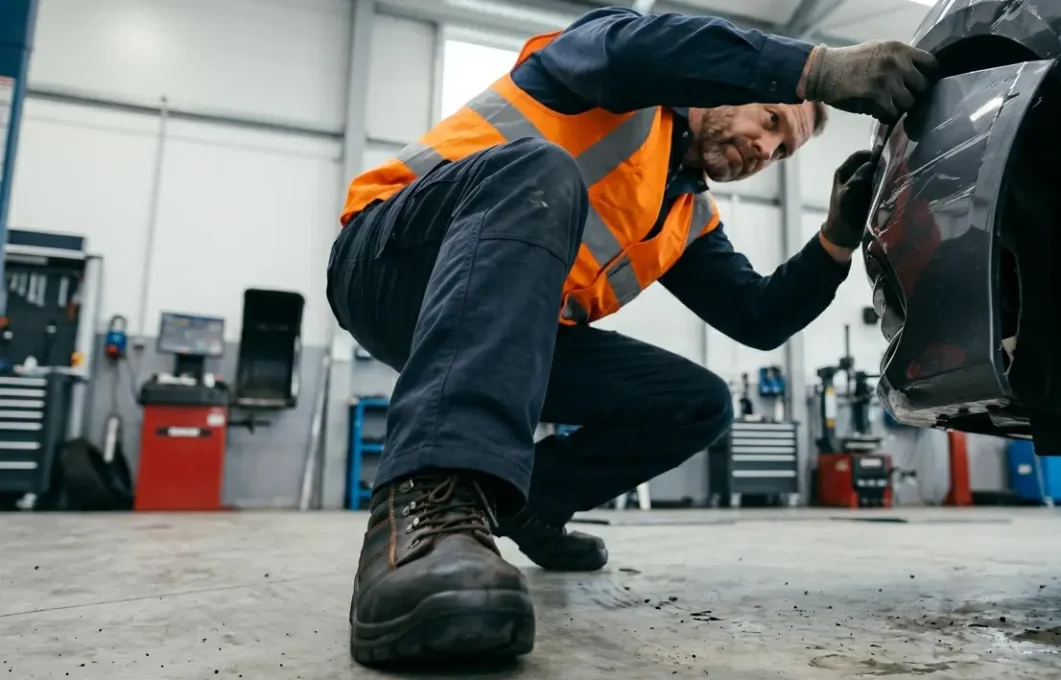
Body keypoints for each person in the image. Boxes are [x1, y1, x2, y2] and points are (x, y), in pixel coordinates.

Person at [326, 5, 937, 665]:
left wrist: (837, 237)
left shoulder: (683, 215)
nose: (764, 149)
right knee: (540, 168)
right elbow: (629, 50)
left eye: (781, 150)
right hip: (388, 256)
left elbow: (757, 318)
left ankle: (532, 502)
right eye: (771, 120)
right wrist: (819, 71)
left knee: (697, 401)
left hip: (498, 329)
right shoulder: (610, 78)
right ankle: (423, 517)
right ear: (726, 86)